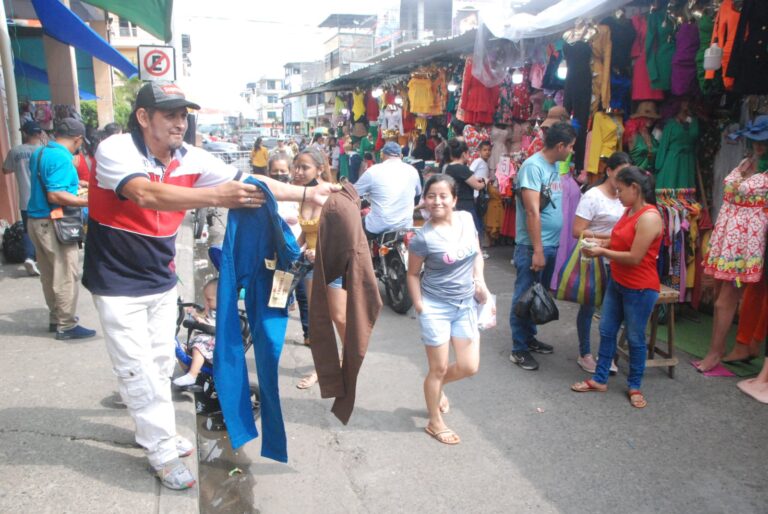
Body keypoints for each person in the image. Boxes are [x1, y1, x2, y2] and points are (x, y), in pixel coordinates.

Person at [84, 81, 338, 489]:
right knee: (138, 369)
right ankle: (162, 451)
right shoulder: (116, 150)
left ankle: (153, 430)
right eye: (170, 114)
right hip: (117, 283)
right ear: (144, 117)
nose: (180, 123)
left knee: (162, 364)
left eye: (184, 115)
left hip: (161, 280)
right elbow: (144, 194)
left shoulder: (192, 158)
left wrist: (309, 191)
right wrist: (216, 195)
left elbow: (255, 185)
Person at [407, 174, 491, 445]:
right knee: (439, 367)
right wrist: (420, 305)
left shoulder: (466, 219)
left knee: (469, 366)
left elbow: (477, 253)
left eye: (443, 196)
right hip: (436, 308)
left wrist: (480, 282)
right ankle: (434, 421)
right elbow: (411, 274)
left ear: (454, 199)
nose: (437, 201)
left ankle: (437, 387)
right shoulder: (423, 238)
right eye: (431, 196)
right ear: (425, 201)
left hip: (466, 304)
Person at [571, 166, 663, 409]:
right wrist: (597, 240)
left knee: (635, 337)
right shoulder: (629, 211)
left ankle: (634, 385)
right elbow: (618, 239)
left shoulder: (650, 217)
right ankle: (600, 379)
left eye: (620, 190)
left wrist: (600, 250)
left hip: (640, 288)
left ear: (635, 188)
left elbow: (634, 256)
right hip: (618, 281)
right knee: (606, 330)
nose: (618, 194)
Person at [697, 117, 768, 372]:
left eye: (764, 141)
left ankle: (715, 353)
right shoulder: (747, 162)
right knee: (720, 295)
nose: (759, 146)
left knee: (725, 299)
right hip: (728, 233)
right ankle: (726, 348)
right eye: (757, 141)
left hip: (748, 240)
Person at [509, 122, 577, 371]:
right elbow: (531, 211)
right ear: (560, 146)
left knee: (536, 293)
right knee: (523, 294)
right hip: (532, 247)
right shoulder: (532, 167)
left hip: (549, 244)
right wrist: (537, 249)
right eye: (570, 147)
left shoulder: (553, 167)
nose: (571, 151)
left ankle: (529, 338)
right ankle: (518, 349)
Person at [27, 118, 94, 339]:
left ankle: (55, 318)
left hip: (35, 221)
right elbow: (55, 194)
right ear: (77, 139)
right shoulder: (62, 158)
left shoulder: (40, 152)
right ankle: (66, 325)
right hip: (54, 222)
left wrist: (78, 184)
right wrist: (88, 201)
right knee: (66, 273)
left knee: (48, 273)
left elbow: (46, 180)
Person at [292, 147, 346, 389]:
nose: (299, 171)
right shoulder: (304, 195)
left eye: (305, 167)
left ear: (320, 169)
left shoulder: (331, 197)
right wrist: (293, 248)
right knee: (318, 319)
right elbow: (307, 230)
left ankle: (349, 357)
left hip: (333, 263)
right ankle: (324, 367)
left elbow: (341, 235)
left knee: (339, 316)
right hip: (312, 266)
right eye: (297, 166)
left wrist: (320, 250)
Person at [571, 152, 629, 373]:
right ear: (609, 171)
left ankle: (607, 355)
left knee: (614, 311)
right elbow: (577, 231)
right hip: (594, 260)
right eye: (620, 173)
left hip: (618, 259)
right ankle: (585, 353)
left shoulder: (627, 197)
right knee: (588, 307)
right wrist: (609, 239)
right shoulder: (593, 196)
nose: (623, 179)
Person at [355, 141, 422, 239]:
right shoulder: (413, 171)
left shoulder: (373, 171)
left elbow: (353, 192)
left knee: (356, 228)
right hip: (405, 227)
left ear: (382, 155)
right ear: (401, 156)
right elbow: (418, 193)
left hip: (378, 227)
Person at [2, 121, 44, 276]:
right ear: (39, 134)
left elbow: (6, 170)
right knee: (45, 228)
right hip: (44, 198)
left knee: (28, 229)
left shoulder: (16, 151)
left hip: (26, 199)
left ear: (24, 134)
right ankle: (43, 258)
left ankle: (29, 257)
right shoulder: (44, 151)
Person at [173, 278, 218, 387]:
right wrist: (194, 314)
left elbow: (217, 327)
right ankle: (191, 372)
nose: (206, 303)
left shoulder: (224, 313)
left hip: (216, 348)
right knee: (183, 349)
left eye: (209, 299)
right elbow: (203, 316)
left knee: (198, 346)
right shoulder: (211, 310)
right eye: (205, 299)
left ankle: (192, 375)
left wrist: (202, 322)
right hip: (208, 344)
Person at [444, 138, 487, 238]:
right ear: (464, 154)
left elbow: (465, 179)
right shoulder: (462, 168)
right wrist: (485, 182)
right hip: (466, 205)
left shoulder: (449, 167)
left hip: (455, 204)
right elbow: (477, 186)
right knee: (472, 234)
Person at [469, 140, 492, 254]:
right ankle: (478, 249)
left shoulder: (485, 163)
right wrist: (480, 182)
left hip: (480, 195)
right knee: (477, 222)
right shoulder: (478, 161)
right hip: (476, 195)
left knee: (479, 221)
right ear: (479, 151)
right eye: (484, 150)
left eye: (489, 150)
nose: (487, 152)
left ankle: (478, 248)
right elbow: (470, 173)